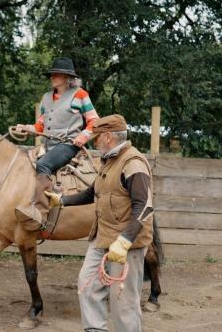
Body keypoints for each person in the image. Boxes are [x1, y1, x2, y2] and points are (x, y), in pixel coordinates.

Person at [45, 114, 154, 332]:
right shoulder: (109, 161)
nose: (94, 142)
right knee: (87, 287)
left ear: (107, 137)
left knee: (123, 302)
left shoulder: (133, 163)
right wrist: (62, 200)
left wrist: (124, 242)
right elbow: (92, 193)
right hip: (101, 237)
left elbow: (144, 207)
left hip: (127, 244)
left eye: (96, 138)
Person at [15, 57, 99, 231]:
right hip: (48, 145)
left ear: (67, 77)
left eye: (57, 74)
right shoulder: (46, 97)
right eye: (52, 74)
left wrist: (83, 137)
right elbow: (40, 125)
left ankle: (40, 212)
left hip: (68, 145)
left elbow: (94, 121)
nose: (52, 76)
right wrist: (26, 128)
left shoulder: (80, 95)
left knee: (43, 164)